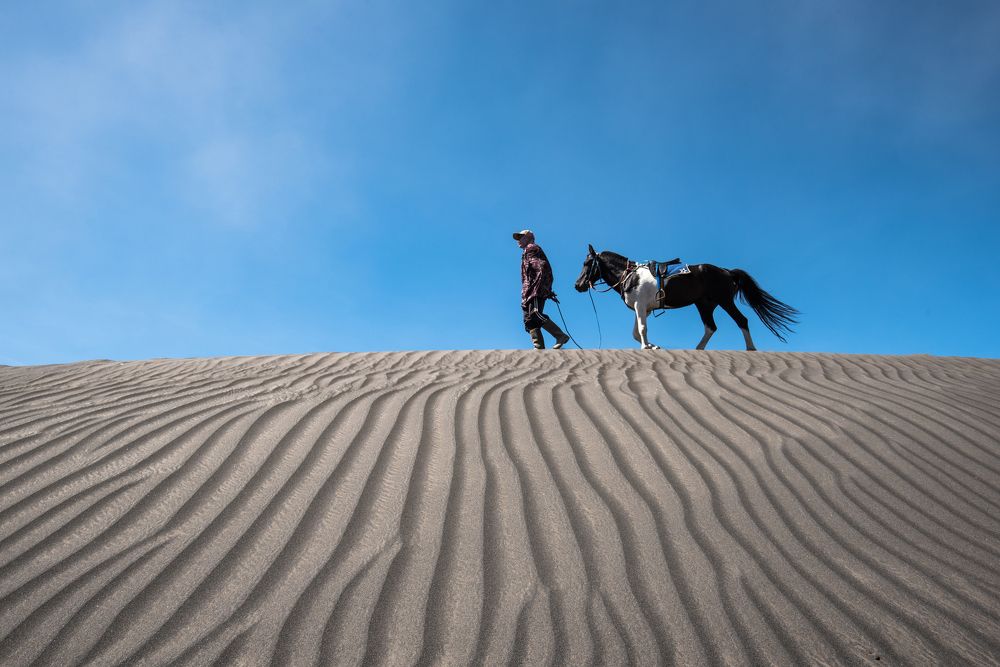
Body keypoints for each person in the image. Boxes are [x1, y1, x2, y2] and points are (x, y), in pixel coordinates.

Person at [514, 230, 570, 349]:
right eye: (518, 237)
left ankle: (560, 336)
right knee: (528, 320)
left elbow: (542, 267)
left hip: (534, 289)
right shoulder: (526, 252)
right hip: (528, 291)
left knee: (535, 314)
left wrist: (541, 287)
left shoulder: (531, 248)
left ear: (529, 238)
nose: (518, 240)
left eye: (521, 237)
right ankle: (539, 348)